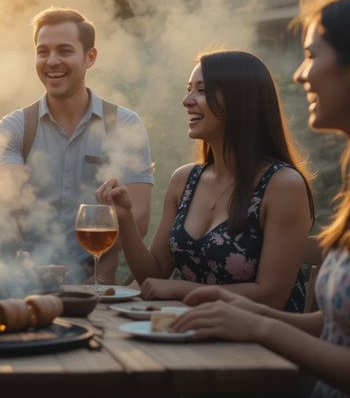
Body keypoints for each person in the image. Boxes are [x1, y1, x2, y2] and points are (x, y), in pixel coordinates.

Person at [174, 0, 350, 398]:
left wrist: (259, 325)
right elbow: (337, 325)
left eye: (311, 56)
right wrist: (239, 309)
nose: (298, 74)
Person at [97, 50, 315, 310]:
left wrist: (183, 288)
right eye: (189, 89)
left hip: (256, 343)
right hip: (185, 331)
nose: (186, 101)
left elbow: (271, 296)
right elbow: (153, 277)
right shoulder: (185, 180)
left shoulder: (282, 185)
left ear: (241, 100)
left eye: (202, 90)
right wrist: (125, 218)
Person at [0, 7, 154, 284]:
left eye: (65, 51)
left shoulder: (124, 125)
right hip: (28, 283)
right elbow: (10, 212)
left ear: (90, 57)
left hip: (100, 285)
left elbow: (138, 219)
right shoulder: (16, 127)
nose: (52, 61)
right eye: (43, 51)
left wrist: (101, 266)